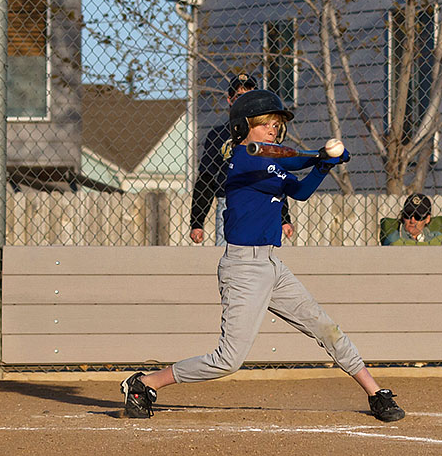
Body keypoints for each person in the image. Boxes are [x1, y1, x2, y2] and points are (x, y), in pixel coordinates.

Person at [121, 89, 405, 423]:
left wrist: (323, 165)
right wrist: (318, 158)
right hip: (243, 268)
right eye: (265, 122)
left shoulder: (270, 162)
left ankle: (375, 393)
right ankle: (144, 384)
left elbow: (299, 191)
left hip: (272, 265)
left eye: (276, 123)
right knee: (228, 359)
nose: (273, 128)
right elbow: (288, 164)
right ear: (244, 127)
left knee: (325, 327)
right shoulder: (242, 161)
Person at [190, 73, 293, 245]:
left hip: (263, 200)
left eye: (250, 95)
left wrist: (284, 217)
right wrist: (197, 222)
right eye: (239, 96)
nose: (245, 100)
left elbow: (275, 176)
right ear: (230, 99)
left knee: (263, 254)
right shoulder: (218, 136)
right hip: (230, 203)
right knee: (231, 252)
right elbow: (206, 179)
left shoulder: (265, 136)